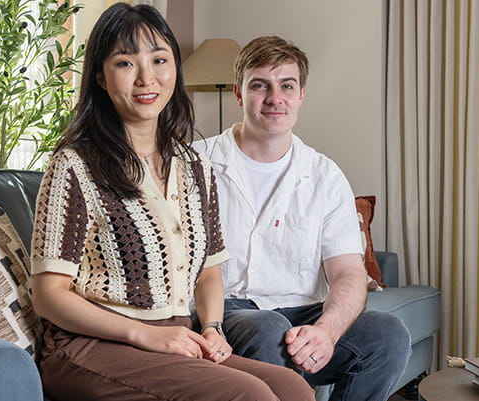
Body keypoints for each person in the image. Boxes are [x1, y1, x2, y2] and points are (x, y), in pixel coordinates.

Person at [30, 6, 314, 401]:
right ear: (100, 76)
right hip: (90, 346)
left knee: (292, 388)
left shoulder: (194, 165)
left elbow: (209, 271)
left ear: (175, 69)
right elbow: (48, 295)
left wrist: (212, 327)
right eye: (125, 63)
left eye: (159, 60)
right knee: (250, 395)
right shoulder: (75, 165)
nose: (146, 78)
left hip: (175, 338)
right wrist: (144, 334)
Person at [192, 36, 412, 401]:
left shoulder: (325, 176)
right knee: (268, 327)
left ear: (301, 95)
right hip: (224, 313)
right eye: (259, 86)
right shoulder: (194, 163)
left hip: (302, 314)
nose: (274, 98)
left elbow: (348, 273)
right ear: (238, 94)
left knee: (388, 335)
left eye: (287, 86)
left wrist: (326, 331)